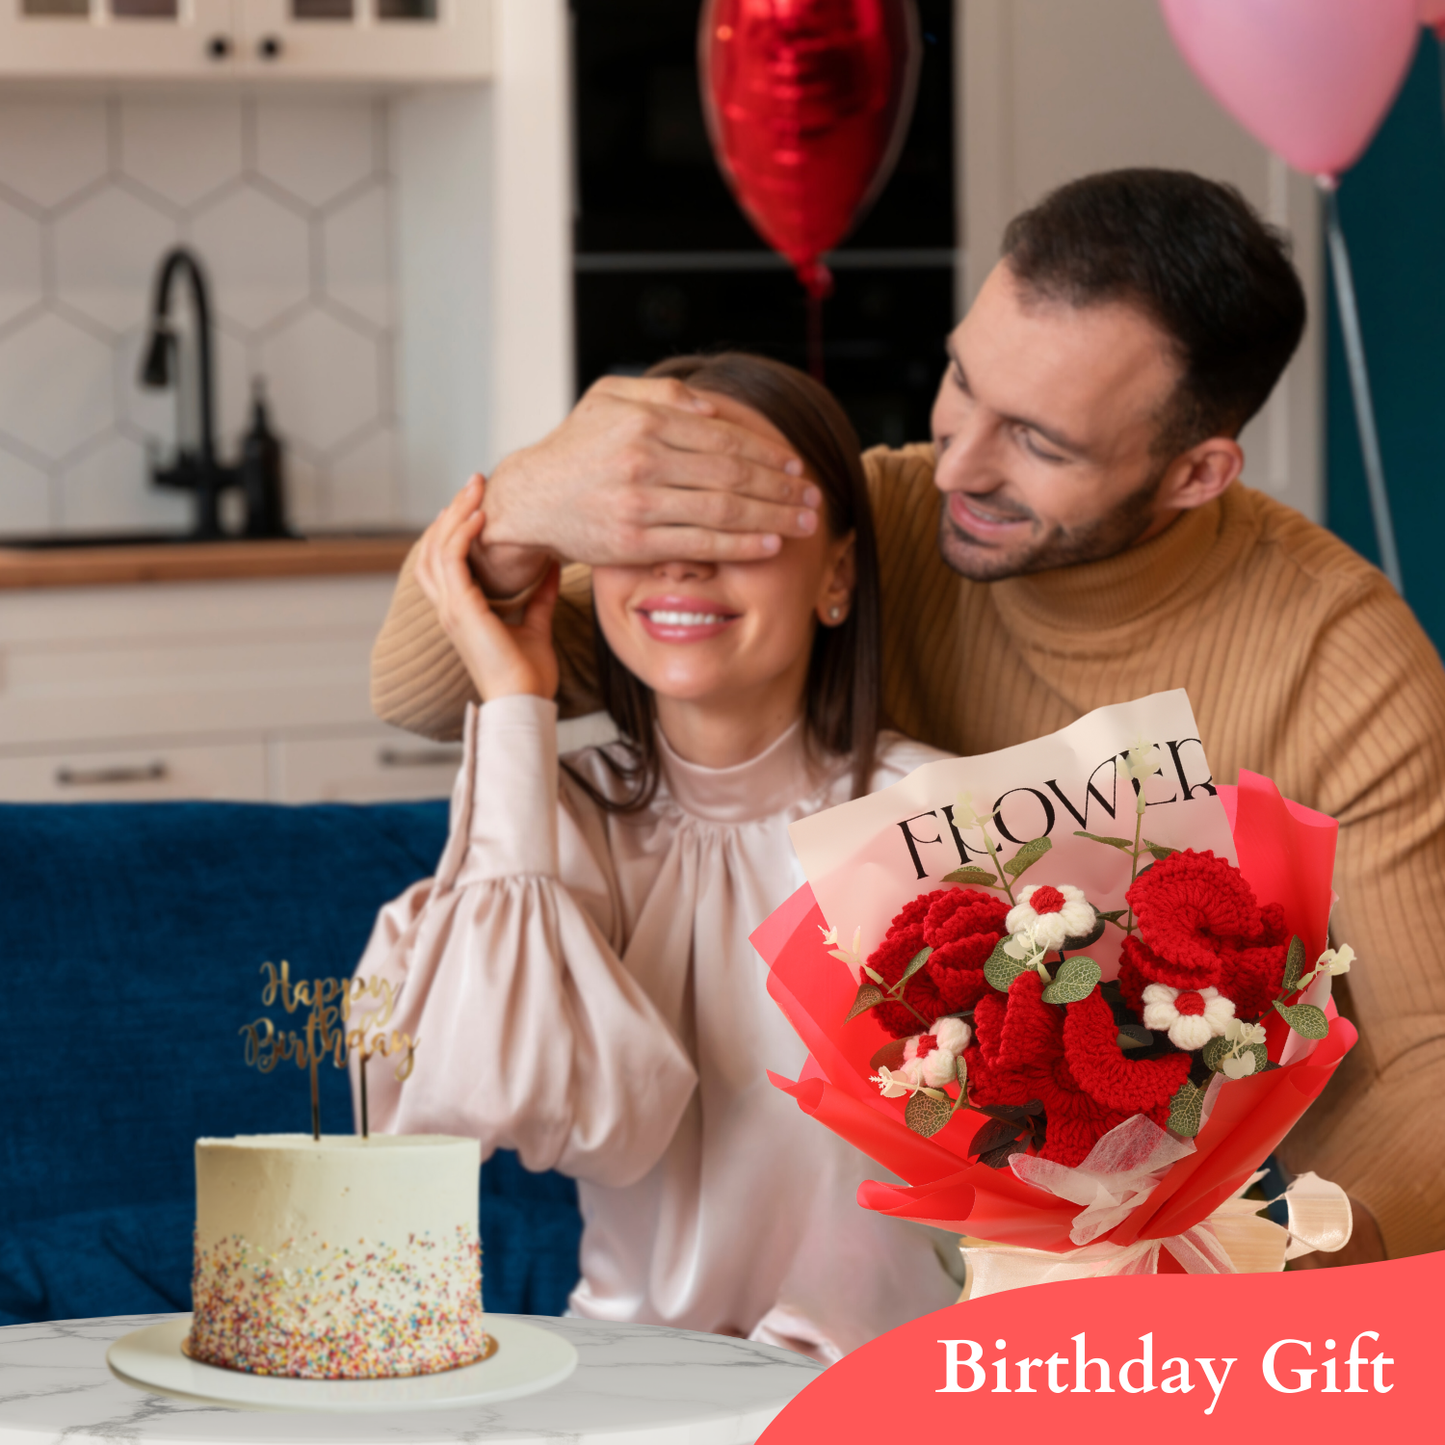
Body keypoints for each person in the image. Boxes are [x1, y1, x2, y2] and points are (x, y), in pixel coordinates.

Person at [371, 169, 1445, 1264]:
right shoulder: (871, 519)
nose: (959, 460)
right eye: (960, 381)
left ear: (1193, 472)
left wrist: (1291, 1278)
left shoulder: (1338, 660)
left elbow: (1420, 1057)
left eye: (1039, 442)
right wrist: (520, 505)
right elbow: (421, 689)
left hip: (1155, 1242)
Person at [353, 353, 964, 1362]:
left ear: (837, 574)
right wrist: (512, 706)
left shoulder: (937, 815)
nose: (683, 562)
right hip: (629, 1385)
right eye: (651, 525)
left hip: (882, 1389)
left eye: (737, 522)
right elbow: (484, 1091)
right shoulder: (559, 808)